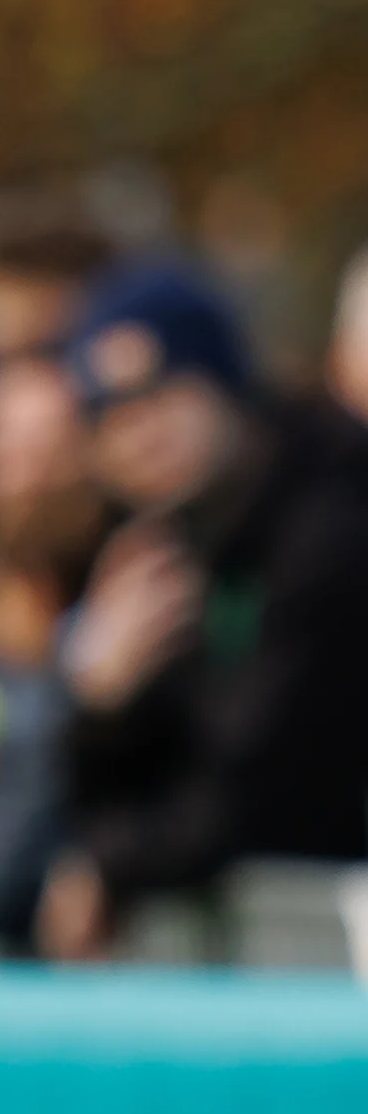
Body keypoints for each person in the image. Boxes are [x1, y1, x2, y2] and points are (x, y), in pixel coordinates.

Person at [35, 265, 368, 959]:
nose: (139, 435)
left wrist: (110, 865)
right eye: (110, 417)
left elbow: (264, 794)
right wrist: (100, 705)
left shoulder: (329, 528)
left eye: (162, 396)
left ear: (224, 385)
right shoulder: (175, 547)